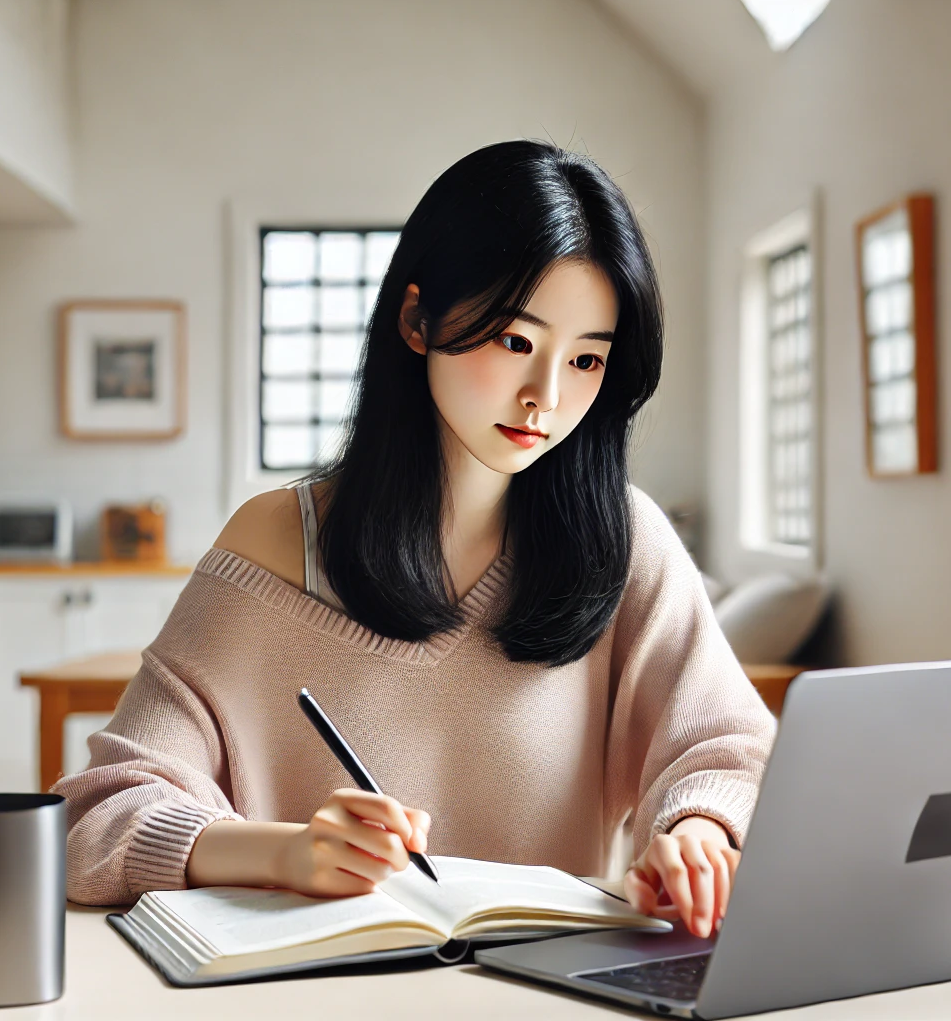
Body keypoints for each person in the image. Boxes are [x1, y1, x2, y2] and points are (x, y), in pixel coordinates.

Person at [55, 140, 774, 939]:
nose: (546, 395)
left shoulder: (623, 543)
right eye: (515, 342)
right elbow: (95, 816)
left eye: (586, 359)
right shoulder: (277, 542)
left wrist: (699, 834)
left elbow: (728, 749)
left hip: (543, 1001)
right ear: (415, 319)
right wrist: (280, 854)